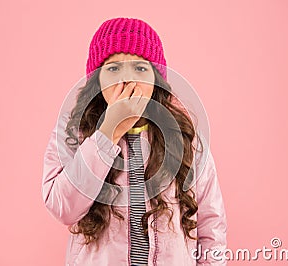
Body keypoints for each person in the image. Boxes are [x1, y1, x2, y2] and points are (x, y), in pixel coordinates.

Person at [42, 17, 227, 266]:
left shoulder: (185, 137)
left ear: (156, 78)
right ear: (96, 80)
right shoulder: (73, 131)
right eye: (113, 68)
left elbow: (211, 226)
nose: (126, 79)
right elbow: (62, 207)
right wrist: (108, 132)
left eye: (140, 68)